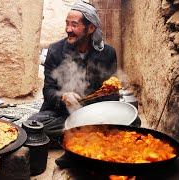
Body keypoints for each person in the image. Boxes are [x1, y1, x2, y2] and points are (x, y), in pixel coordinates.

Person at [27, 1, 117, 141]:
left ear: (91, 28)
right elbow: (48, 91)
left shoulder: (108, 53)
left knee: (133, 121)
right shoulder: (55, 51)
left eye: (74, 25)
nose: (68, 29)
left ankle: (77, 135)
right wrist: (63, 97)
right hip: (62, 114)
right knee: (33, 125)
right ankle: (90, 135)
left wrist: (95, 112)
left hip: (94, 115)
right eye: (67, 24)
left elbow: (112, 94)